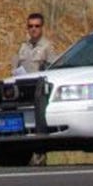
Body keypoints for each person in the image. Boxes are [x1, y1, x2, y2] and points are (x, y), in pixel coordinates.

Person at [11, 12, 59, 166]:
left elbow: (54, 68)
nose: (33, 29)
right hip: (23, 89)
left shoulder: (47, 47)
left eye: (37, 26)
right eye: (30, 26)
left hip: (39, 91)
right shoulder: (22, 47)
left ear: (42, 27)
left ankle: (40, 154)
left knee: (39, 122)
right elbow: (14, 67)